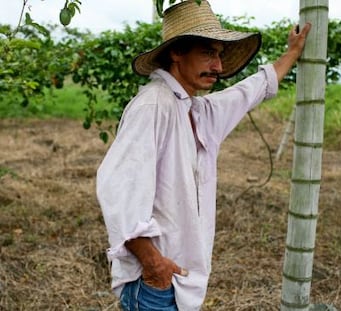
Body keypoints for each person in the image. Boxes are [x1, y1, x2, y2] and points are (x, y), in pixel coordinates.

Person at [96, 1, 311, 310]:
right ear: (176, 52)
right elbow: (117, 187)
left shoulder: (194, 109)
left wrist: (291, 54)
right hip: (157, 287)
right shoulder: (155, 105)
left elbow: (247, 91)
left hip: (178, 283)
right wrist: (154, 265)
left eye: (220, 55)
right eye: (208, 53)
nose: (219, 67)